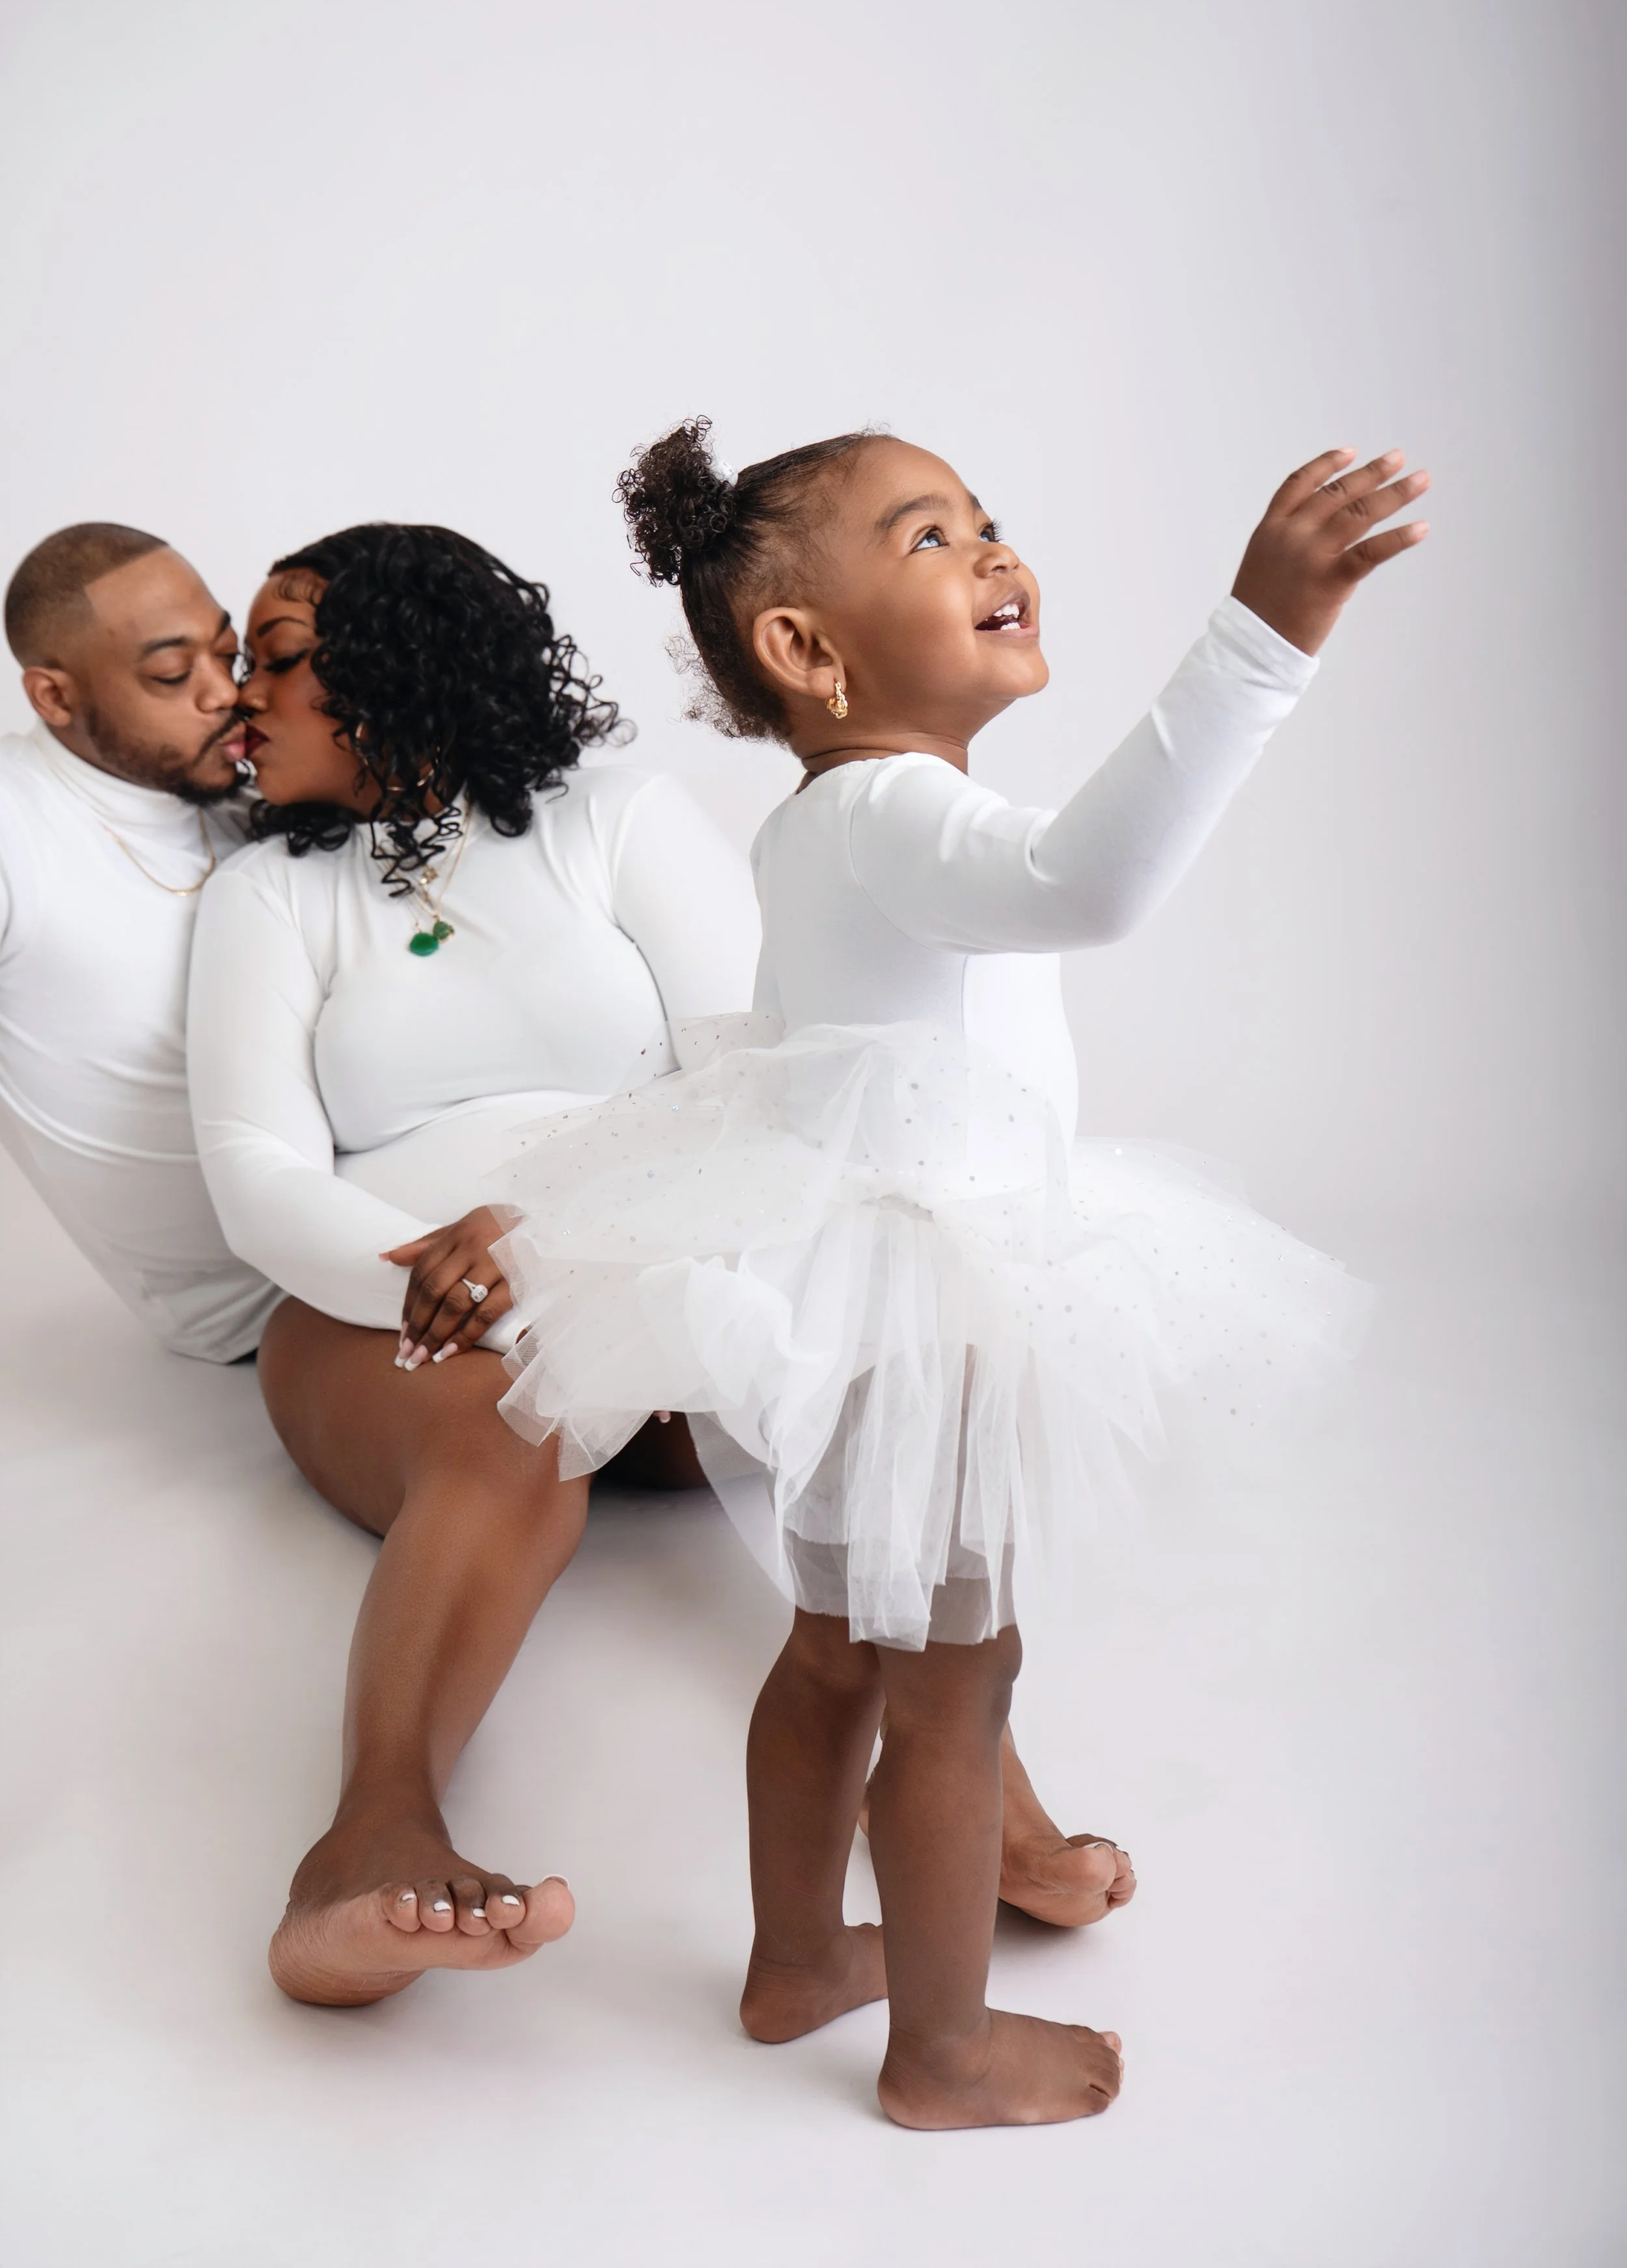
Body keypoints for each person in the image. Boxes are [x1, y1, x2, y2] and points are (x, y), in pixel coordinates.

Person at [493, 422, 1427, 2127]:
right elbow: (1089, 885)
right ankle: (941, 2052)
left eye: (989, 519)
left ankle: (795, 1967)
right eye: (931, 536)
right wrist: (1256, 642)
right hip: (939, 1299)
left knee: (838, 1652)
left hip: (869, 1284)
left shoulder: (820, 819)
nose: (996, 552)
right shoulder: (898, 807)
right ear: (803, 648)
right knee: (954, 1685)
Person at [185, 519, 1130, 2012]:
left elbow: (756, 1067)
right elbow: (254, 1172)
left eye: (281, 659)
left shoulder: (606, 819)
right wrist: (443, 1269)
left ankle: (973, 1804)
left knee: (876, 1381)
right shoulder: (266, 897)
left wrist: (561, 1235)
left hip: (650, 1252)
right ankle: (365, 1844)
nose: (243, 696)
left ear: (396, 669)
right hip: (390, 1316)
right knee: (510, 1448)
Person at [0, 523, 277, 1360]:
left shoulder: (249, 799)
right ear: (54, 698)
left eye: (225, 656)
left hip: (378, 1215)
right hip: (263, 1312)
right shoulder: (16, 824)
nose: (221, 694)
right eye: (169, 673)